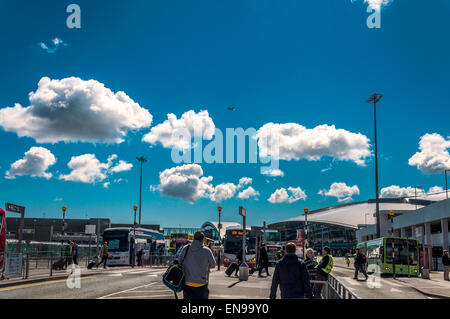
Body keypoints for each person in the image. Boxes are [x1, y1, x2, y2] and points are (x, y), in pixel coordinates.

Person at [178, 231, 216, 299]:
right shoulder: (207, 251)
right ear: (202, 239)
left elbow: (179, 261)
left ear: (194, 238)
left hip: (187, 282)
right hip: (202, 282)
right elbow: (213, 265)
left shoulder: (185, 248)